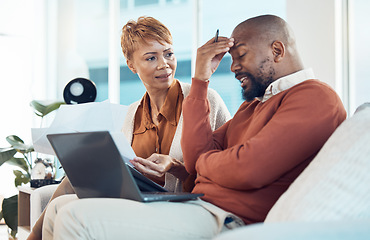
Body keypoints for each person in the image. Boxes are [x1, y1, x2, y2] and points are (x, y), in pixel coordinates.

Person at [39, 14, 347, 240]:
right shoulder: (254, 105)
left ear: (277, 51)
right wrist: (200, 79)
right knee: (61, 205)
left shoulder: (314, 97)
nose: (233, 66)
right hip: (200, 205)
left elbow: (244, 169)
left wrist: (203, 162)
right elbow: (201, 153)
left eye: (240, 56)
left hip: (227, 217)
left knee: (74, 217)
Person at [26, 16, 230, 240]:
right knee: (65, 196)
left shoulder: (204, 99)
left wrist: (174, 167)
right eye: (151, 58)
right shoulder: (133, 113)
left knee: (68, 209)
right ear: (132, 65)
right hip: (142, 201)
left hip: (185, 206)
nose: (164, 64)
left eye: (168, 54)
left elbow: (220, 172)